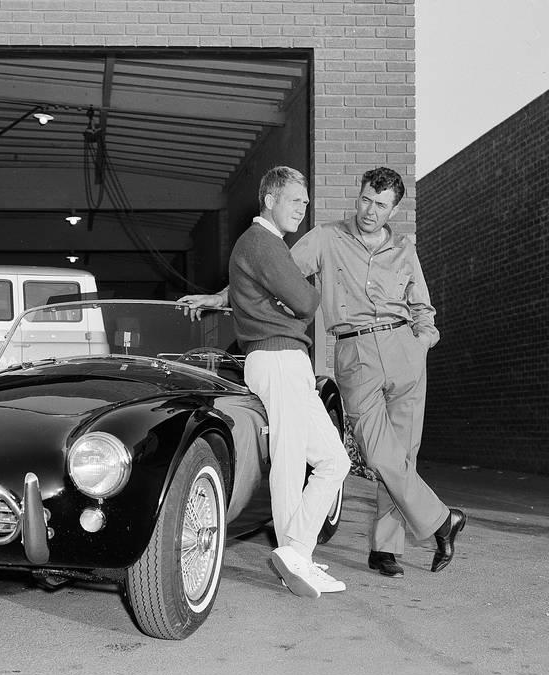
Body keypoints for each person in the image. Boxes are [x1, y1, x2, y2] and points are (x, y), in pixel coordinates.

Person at [180, 167, 466, 578]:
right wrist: (221, 296)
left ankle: (386, 548)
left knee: (403, 455)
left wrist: (423, 341)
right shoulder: (326, 238)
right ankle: (441, 520)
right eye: (366, 199)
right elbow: (272, 273)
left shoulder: (405, 249)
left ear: (393, 210)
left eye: (381, 205)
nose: (370, 210)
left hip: (404, 348)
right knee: (376, 451)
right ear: (359, 195)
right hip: (356, 351)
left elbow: (422, 306)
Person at [225, 165, 351, 598]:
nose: (304, 208)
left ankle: (296, 550)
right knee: (291, 457)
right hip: (277, 357)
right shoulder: (263, 243)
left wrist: (292, 297)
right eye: (296, 200)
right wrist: (298, 294)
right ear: (271, 199)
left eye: (306, 202)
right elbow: (306, 300)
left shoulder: (267, 245)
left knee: (335, 459)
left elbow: (295, 302)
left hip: (286, 358)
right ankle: (295, 554)